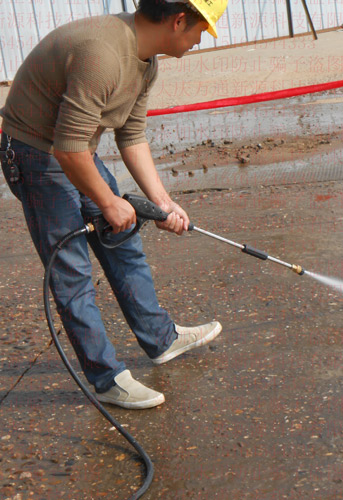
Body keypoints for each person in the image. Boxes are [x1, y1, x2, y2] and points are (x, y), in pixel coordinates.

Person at [0, 0, 228, 409]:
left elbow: (132, 136)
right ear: (179, 21)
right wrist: (107, 201)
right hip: (36, 152)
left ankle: (161, 339)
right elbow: (67, 149)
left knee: (123, 241)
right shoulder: (102, 56)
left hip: (75, 147)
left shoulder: (145, 62)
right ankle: (107, 379)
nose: (200, 40)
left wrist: (163, 204)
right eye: (201, 30)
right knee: (71, 272)